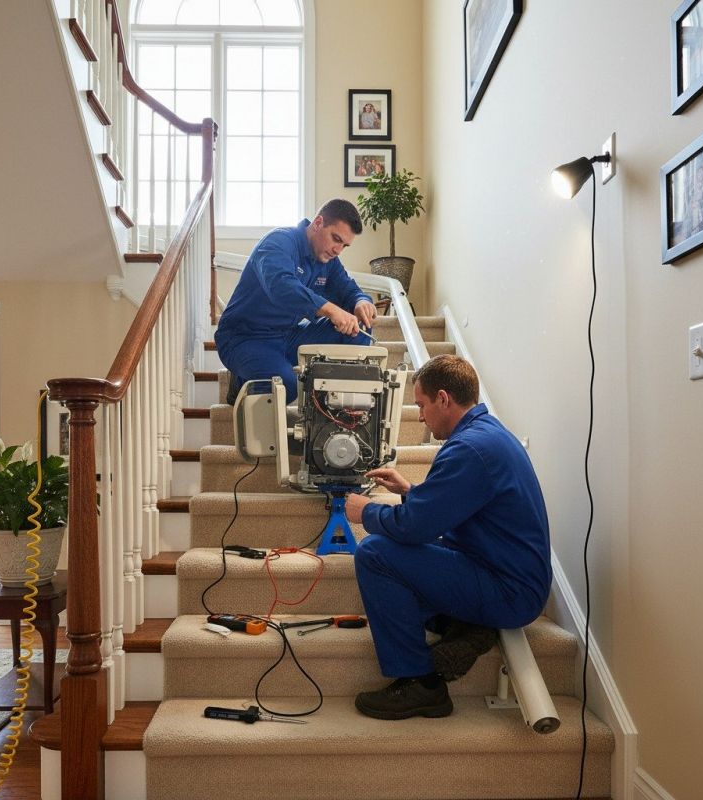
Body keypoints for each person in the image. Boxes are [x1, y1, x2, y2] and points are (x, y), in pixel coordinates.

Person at [344, 355, 552, 720]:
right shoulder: (486, 436)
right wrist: (411, 491)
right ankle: (463, 625)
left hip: (510, 591)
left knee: (376, 552)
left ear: (443, 398)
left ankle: (419, 683)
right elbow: (450, 509)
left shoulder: (470, 448)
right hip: (500, 570)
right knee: (406, 551)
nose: (420, 416)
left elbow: (414, 526)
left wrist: (366, 512)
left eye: (422, 405)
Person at [215, 199, 377, 405]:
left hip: (288, 335)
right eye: (336, 239)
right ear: (318, 223)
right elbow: (281, 286)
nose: (338, 249)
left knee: (359, 323)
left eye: (344, 245)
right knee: (286, 385)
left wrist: (361, 301)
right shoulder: (278, 242)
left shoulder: (328, 260)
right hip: (244, 338)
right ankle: (241, 381)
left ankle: (335, 406)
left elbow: (349, 289)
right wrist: (330, 309)